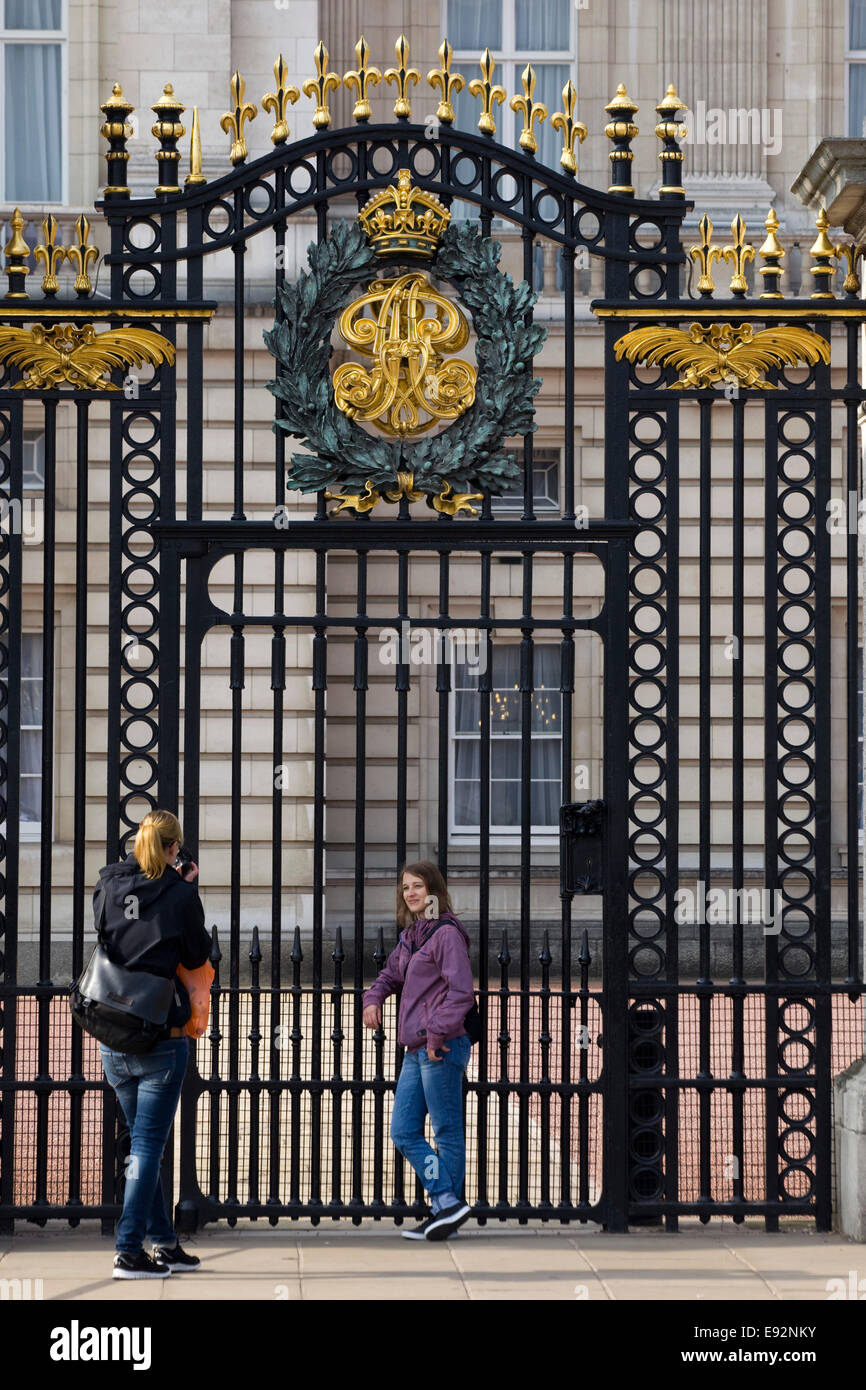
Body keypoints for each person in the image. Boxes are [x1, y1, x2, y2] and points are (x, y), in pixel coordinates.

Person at [96, 808, 212, 1279]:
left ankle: (163, 1242)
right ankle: (129, 1250)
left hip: (112, 1032)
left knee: (145, 1143)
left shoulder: (108, 883)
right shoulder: (179, 893)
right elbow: (197, 952)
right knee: (147, 1145)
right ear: (172, 848)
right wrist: (187, 889)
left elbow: (107, 935)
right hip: (160, 1037)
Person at [362, 861, 476, 1241]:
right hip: (416, 1047)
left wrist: (435, 1033)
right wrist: (373, 998)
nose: (410, 893)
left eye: (418, 886)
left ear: (434, 892)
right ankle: (447, 1203)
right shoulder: (413, 935)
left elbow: (461, 993)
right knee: (403, 1130)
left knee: (445, 1130)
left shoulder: (446, 935)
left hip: (441, 1044)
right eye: (405, 887)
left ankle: (445, 1207)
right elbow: (390, 974)